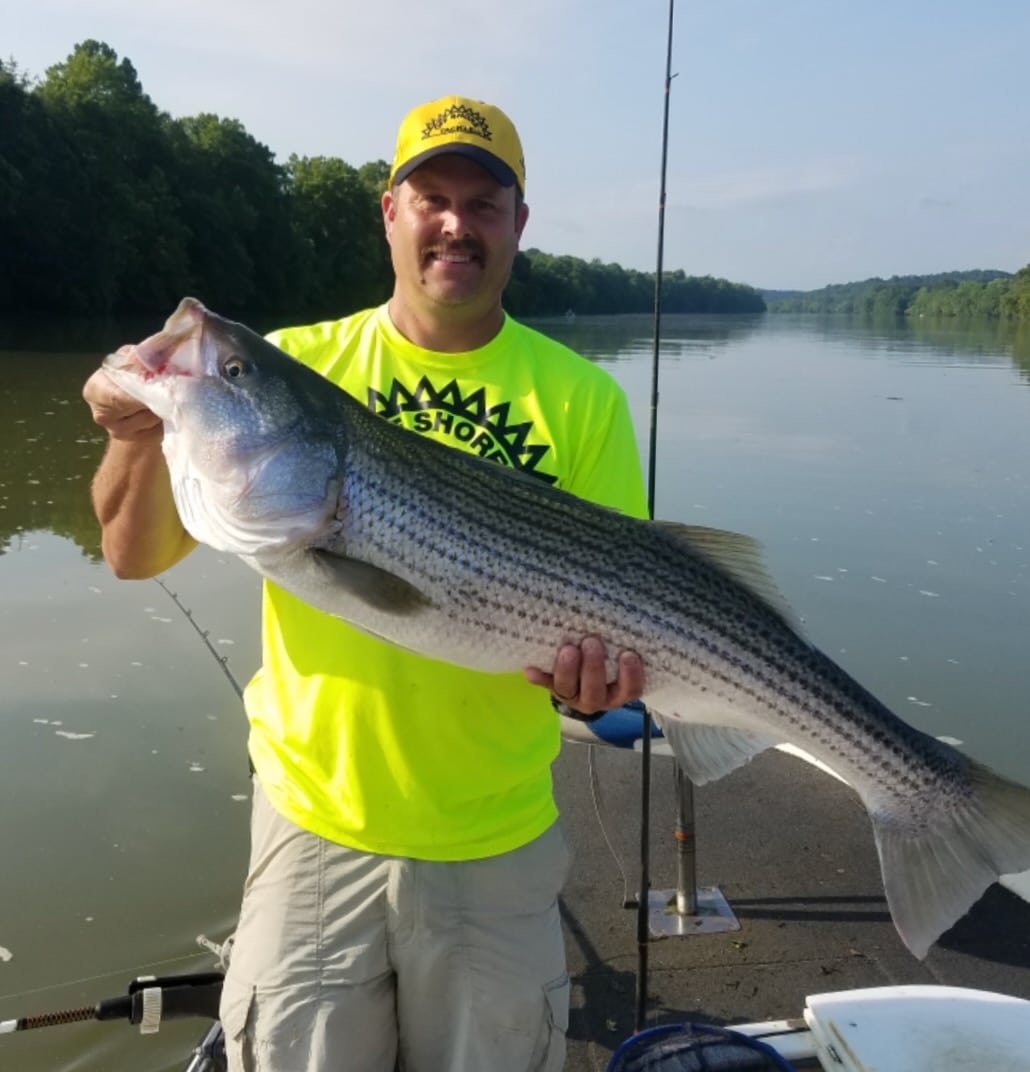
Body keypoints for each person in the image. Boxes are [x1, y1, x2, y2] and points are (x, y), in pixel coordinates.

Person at [83, 95, 649, 1072]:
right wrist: (143, 420)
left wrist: (594, 680)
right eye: (431, 197)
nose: (454, 223)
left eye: (482, 202)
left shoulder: (581, 395)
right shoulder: (299, 362)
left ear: (517, 224)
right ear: (389, 212)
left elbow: (625, 614)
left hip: (495, 840)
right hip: (312, 829)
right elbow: (133, 554)